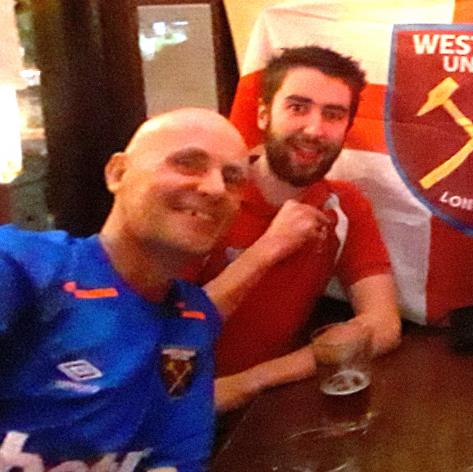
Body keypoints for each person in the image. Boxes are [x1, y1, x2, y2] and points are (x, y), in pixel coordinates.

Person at [0, 108, 249, 470]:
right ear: (118, 173)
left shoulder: (191, 320)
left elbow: (176, 462)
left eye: (232, 178)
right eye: (188, 163)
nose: (214, 188)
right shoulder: (25, 267)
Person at [200, 46, 401, 413]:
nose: (314, 129)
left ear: (346, 129)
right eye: (297, 108)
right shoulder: (209, 196)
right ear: (263, 114)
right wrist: (269, 248)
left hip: (264, 406)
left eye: (333, 115)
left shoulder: (344, 203)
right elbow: (162, 332)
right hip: (167, 414)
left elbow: (383, 324)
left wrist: (252, 381)